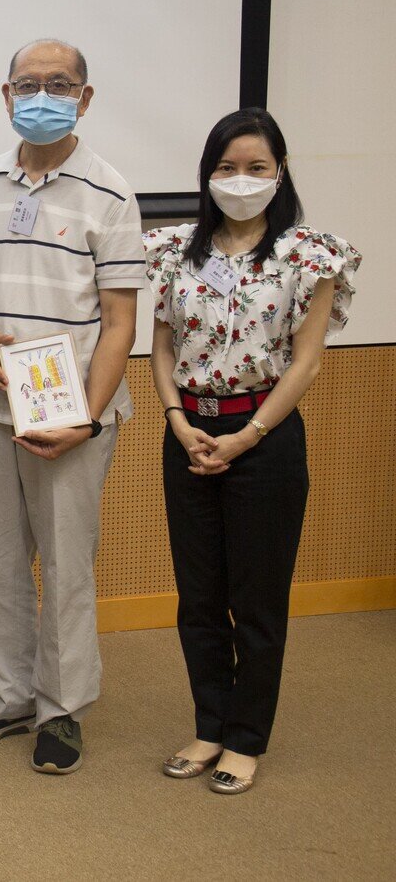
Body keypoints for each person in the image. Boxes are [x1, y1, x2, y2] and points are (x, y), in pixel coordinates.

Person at [0, 39, 144, 775]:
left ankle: (62, 709)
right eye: (28, 83)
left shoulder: (113, 192)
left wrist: (85, 418)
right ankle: (5, 696)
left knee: (66, 565)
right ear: (5, 94)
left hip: (73, 415)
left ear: (85, 98)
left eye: (59, 84)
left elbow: (122, 322)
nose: (42, 95)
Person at [145, 109, 357, 795]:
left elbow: (306, 362)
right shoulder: (173, 249)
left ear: (280, 173)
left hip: (263, 438)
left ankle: (245, 738)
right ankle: (209, 725)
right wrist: (177, 420)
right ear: (207, 175)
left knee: (256, 597)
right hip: (189, 433)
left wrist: (247, 435)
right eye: (227, 167)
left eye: (257, 167)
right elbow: (164, 346)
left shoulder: (311, 253)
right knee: (198, 596)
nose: (241, 180)